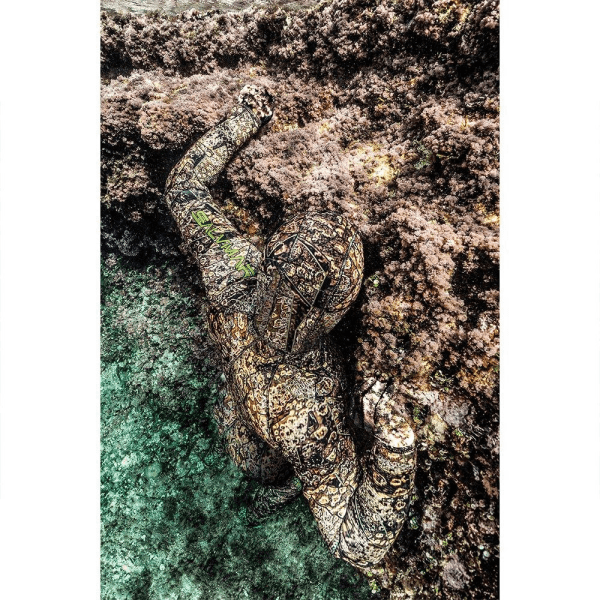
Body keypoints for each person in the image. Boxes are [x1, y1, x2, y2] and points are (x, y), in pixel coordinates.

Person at [163, 84, 416, 569]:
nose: (274, 319)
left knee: (261, 468)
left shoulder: (310, 412)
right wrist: (246, 117)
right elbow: (183, 190)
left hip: (269, 434)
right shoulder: (237, 274)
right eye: (275, 284)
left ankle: (288, 487)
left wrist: (395, 445)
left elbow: (359, 547)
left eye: (297, 305)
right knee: (255, 461)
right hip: (248, 412)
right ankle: (286, 485)